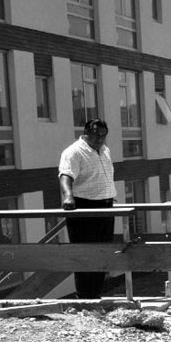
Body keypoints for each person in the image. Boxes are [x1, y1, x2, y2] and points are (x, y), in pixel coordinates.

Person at [58, 118, 117, 299]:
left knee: (102, 253)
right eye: (96, 134)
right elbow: (66, 175)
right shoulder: (74, 152)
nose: (100, 139)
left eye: (103, 135)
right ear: (85, 132)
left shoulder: (105, 150)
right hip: (85, 207)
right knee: (85, 255)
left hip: (106, 207)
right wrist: (68, 197)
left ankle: (95, 296)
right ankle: (84, 298)